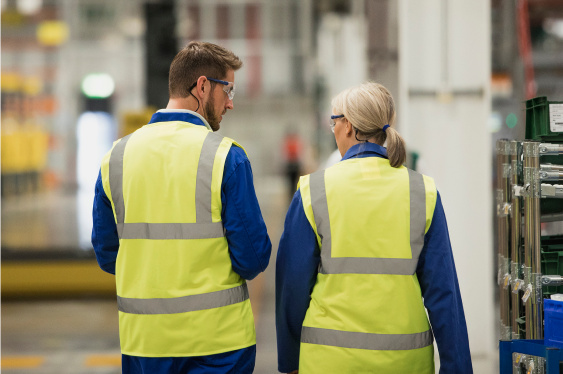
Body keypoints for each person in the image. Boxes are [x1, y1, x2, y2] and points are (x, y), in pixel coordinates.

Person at [92, 41, 272, 374]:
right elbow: (252, 257)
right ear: (202, 86)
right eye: (227, 90)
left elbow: (107, 254)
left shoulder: (115, 158)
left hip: (145, 343)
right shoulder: (225, 157)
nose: (230, 103)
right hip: (219, 346)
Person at [275, 82, 472, 373]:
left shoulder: (313, 191)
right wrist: (457, 368)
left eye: (333, 122)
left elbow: (292, 286)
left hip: (329, 361)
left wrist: (290, 360)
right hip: (405, 362)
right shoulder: (422, 191)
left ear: (348, 126)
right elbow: (444, 294)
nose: (333, 130)